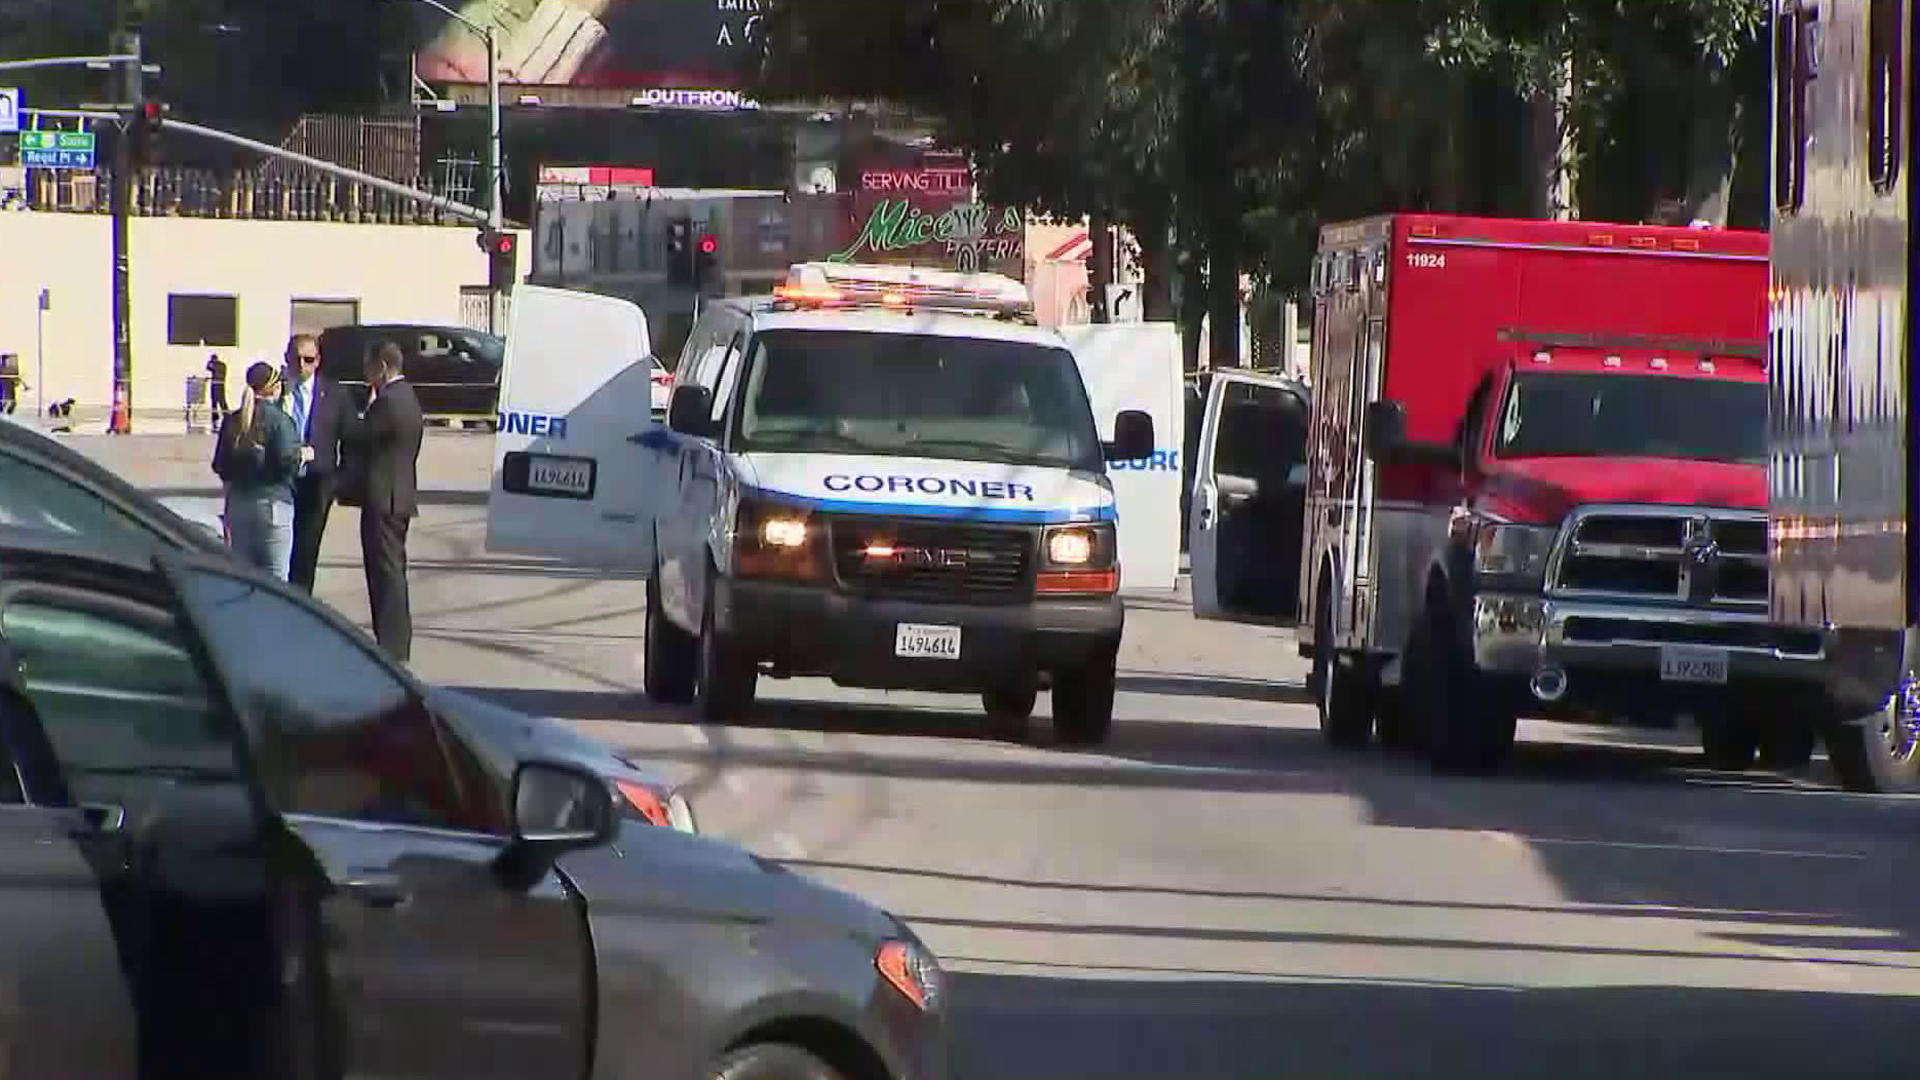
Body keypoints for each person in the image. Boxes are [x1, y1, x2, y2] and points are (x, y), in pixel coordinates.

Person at [359, 341, 424, 663]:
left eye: (368, 366)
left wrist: (368, 409)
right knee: (392, 568)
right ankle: (394, 640)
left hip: (384, 497)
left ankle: (392, 644)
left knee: (385, 572)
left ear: (382, 367)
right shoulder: (408, 396)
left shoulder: (386, 402)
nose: (365, 373)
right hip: (399, 494)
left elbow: (363, 439)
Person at [212, 362, 302, 581]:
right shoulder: (280, 420)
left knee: (243, 578)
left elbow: (220, 465)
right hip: (273, 504)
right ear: (273, 387)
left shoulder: (233, 420)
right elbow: (285, 461)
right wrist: (304, 456)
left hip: (238, 504)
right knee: (276, 578)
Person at [280, 333, 348, 594]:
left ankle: (300, 602)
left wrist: (340, 480)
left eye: (308, 360)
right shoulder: (277, 391)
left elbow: (351, 437)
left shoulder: (335, 394)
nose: (302, 366)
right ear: (287, 359)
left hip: (317, 483)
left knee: (306, 551)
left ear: (318, 361)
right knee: (279, 549)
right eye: (296, 359)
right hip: (280, 481)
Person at [206, 353, 230, 433]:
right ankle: (226, 415)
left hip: (215, 384)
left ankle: (215, 416)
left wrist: (210, 362)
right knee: (222, 400)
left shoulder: (214, 365)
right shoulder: (223, 365)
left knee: (214, 401)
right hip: (221, 384)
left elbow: (208, 367)